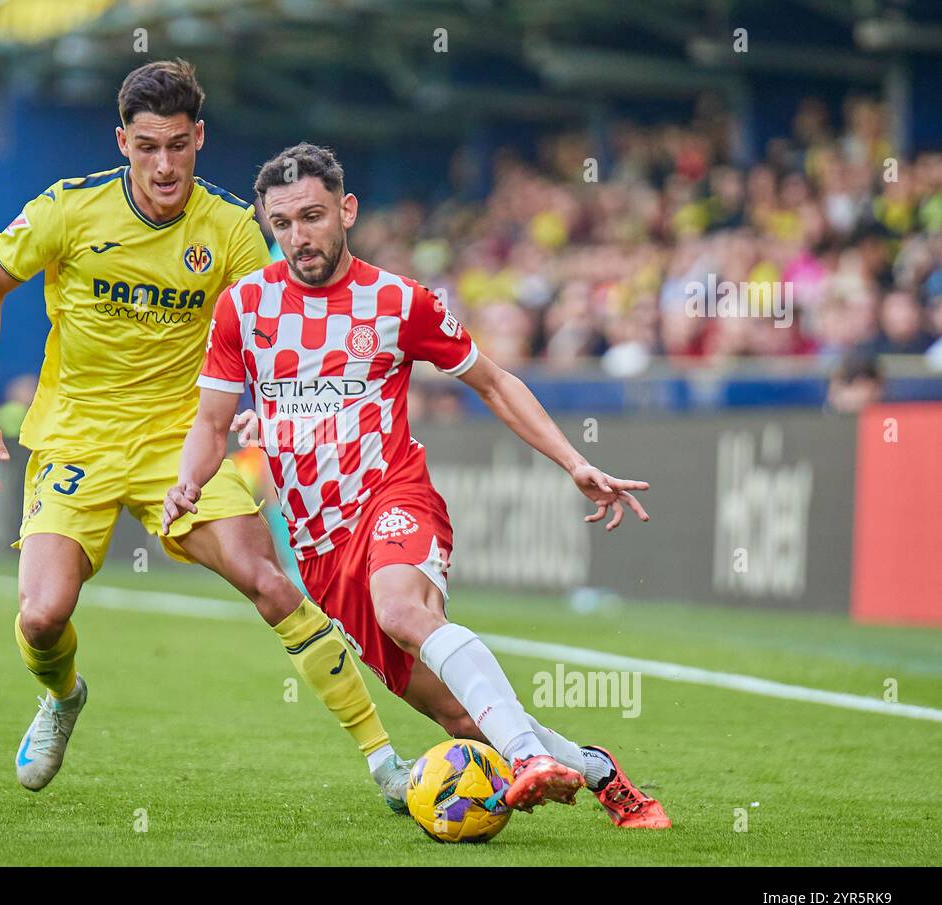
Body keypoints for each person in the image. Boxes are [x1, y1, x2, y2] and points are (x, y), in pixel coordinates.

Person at [164, 143, 670, 827]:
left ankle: (526, 758)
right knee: (460, 717)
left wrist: (571, 460)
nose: (297, 237)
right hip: (319, 551)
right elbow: (212, 422)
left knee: (404, 611)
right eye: (280, 224)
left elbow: (492, 381)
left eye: (311, 217)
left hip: (392, 499)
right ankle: (600, 772)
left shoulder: (400, 301)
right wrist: (188, 480)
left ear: (346, 210)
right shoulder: (242, 309)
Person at [0, 65, 410, 808]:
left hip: (180, 441)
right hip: (78, 440)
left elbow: (281, 314)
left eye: (177, 145)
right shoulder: (68, 210)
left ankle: (385, 762)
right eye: (146, 147)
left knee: (267, 582)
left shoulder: (230, 227)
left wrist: (277, 396)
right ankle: (63, 696)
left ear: (199, 138)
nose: (163, 165)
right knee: (41, 616)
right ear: (122, 143)